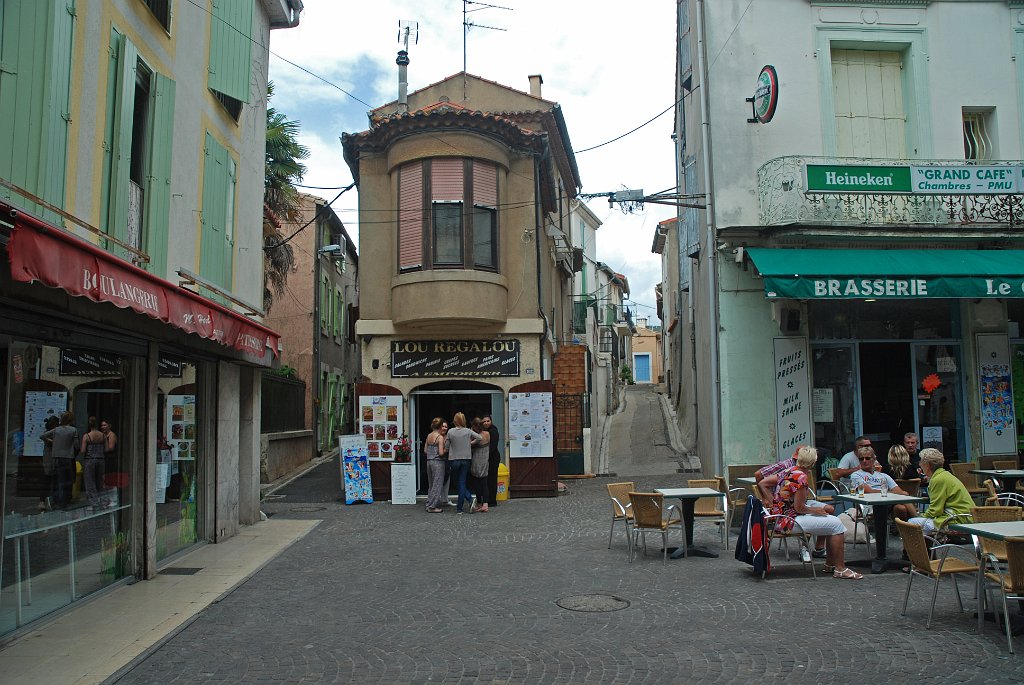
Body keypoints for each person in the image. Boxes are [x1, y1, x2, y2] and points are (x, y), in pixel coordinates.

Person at [759, 445, 862, 579]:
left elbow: (762, 482)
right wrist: (816, 510)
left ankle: (831, 565)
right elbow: (799, 508)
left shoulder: (789, 470)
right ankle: (840, 568)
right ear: (813, 463)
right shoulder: (801, 478)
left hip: (781, 518)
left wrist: (773, 503)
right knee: (836, 524)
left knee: (831, 522)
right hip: (789, 521)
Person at [907, 448, 974, 533]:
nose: (920, 464)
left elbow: (935, 510)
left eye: (921, 462)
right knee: (920, 523)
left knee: (911, 523)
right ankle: (927, 544)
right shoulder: (944, 475)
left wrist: (920, 516)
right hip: (965, 517)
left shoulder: (937, 479)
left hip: (956, 520)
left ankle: (921, 546)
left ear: (928, 465)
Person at [850, 446, 917, 521]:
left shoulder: (883, 475)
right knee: (904, 497)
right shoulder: (856, 475)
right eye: (861, 459)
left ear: (874, 459)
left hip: (887, 503)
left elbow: (899, 491)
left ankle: (904, 530)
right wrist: (890, 493)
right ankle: (919, 523)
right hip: (871, 505)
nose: (864, 461)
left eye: (867, 458)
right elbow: (868, 491)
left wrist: (893, 493)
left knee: (901, 507)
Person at [445, 412, 482, 514]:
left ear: (455, 420)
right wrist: (470, 443)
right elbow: (480, 438)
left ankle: (462, 506)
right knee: (462, 481)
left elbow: (447, 447)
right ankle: (467, 501)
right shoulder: (468, 431)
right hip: (466, 459)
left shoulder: (450, 431)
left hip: (454, 459)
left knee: (457, 482)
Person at [42, 411, 78, 508]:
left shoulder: (57, 430)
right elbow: (76, 445)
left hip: (56, 458)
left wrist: (53, 441)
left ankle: (55, 500)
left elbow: (43, 436)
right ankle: (63, 502)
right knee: (68, 480)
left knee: (59, 480)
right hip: (68, 458)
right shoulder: (73, 430)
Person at [80, 416, 107, 507]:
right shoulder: (103, 435)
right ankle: (102, 500)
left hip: (90, 460)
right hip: (101, 459)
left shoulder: (87, 436)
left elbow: (83, 450)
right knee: (100, 481)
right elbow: (106, 449)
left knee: (90, 481)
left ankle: (94, 501)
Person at [423, 417, 448, 513]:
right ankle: (432, 507)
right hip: (438, 462)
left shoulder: (429, 436)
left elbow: (425, 450)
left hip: (429, 461)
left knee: (431, 484)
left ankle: (429, 503)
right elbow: (441, 453)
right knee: (437, 484)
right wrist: (447, 450)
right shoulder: (440, 437)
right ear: (440, 426)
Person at [38, 415, 60, 510]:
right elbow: (43, 437)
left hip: (52, 459)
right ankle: (43, 501)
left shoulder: (56, 433)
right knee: (48, 481)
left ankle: (51, 501)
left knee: (53, 481)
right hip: (49, 459)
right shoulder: (49, 433)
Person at [470, 417, 491, 512]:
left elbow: (469, 445)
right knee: (484, 483)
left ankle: (479, 503)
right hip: (485, 460)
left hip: (476, 461)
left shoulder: (475, 436)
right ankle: (485, 504)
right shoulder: (487, 434)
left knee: (477, 483)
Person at [482, 415, 501, 507]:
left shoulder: (493, 431)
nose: (486, 423)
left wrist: (483, 455)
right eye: (484, 421)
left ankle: (492, 500)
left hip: (493, 458)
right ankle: (488, 498)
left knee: (492, 479)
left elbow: (492, 447)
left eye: (488, 421)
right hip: (488, 458)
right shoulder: (485, 431)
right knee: (488, 479)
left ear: (491, 421)